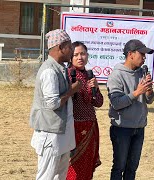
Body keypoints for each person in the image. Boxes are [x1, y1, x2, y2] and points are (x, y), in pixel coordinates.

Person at [29, 29, 82, 180]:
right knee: (46, 176)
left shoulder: (60, 68)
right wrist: (72, 91)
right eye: (69, 47)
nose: (72, 50)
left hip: (61, 133)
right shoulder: (49, 72)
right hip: (51, 134)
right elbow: (52, 103)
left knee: (59, 176)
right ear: (60, 47)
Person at [106, 39, 154, 180]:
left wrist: (148, 91)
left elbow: (150, 100)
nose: (144, 58)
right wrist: (137, 92)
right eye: (142, 54)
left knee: (132, 168)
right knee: (119, 167)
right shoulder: (117, 75)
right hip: (122, 129)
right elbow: (116, 103)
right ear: (130, 54)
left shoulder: (142, 73)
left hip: (139, 128)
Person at [66, 41, 104, 180]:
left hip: (91, 127)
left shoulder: (89, 75)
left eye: (83, 54)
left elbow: (99, 102)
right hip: (74, 128)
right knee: (72, 168)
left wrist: (94, 87)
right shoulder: (69, 75)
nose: (80, 57)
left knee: (87, 166)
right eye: (76, 55)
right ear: (70, 57)